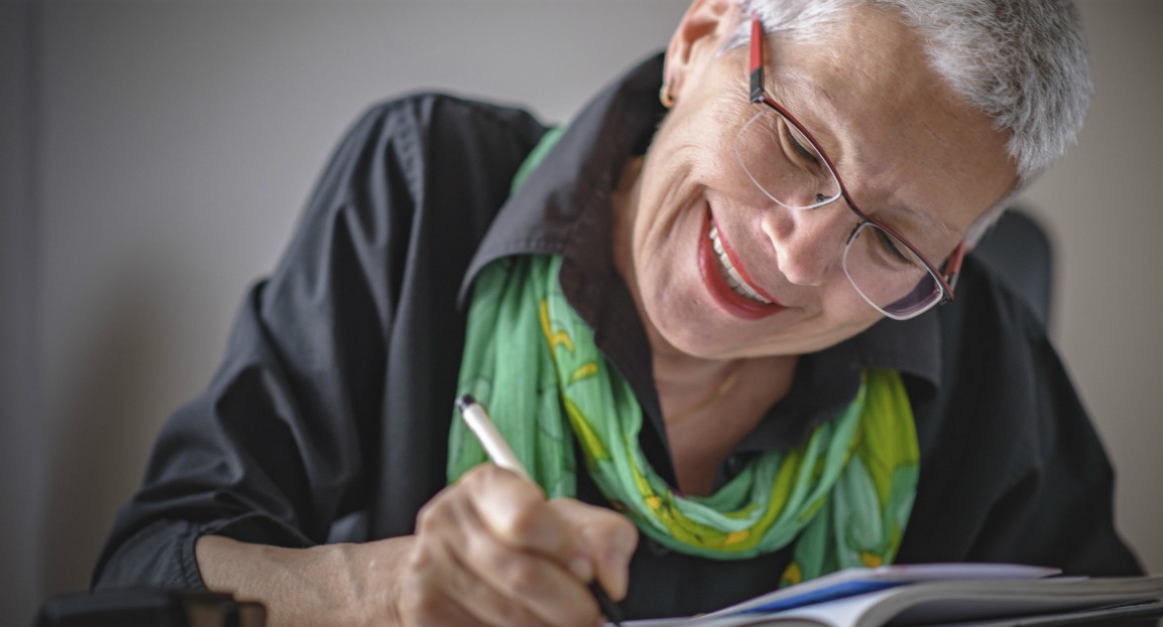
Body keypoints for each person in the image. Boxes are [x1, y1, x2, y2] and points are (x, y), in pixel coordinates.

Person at [92, 0, 1144, 624]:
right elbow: (142, 576)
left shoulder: (981, 342)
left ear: (949, 256)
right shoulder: (423, 189)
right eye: (796, 145)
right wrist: (383, 592)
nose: (800, 250)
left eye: (890, 238)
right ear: (701, 39)